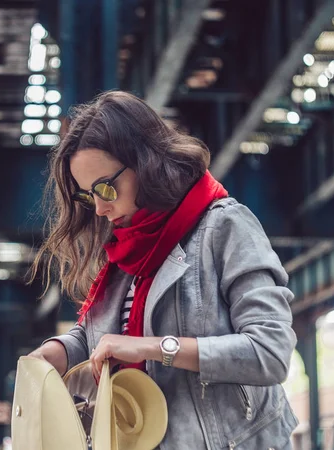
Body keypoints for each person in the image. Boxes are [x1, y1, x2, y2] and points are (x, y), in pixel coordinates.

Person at [27, 91, 299, 449]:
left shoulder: (225, 226)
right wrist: (58, 352)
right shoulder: (127, 250)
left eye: (106, 188)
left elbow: (271, 352)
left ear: (146, 163)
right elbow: (102, 340)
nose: (99, 208)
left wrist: (154, 348)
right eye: (86, 195)